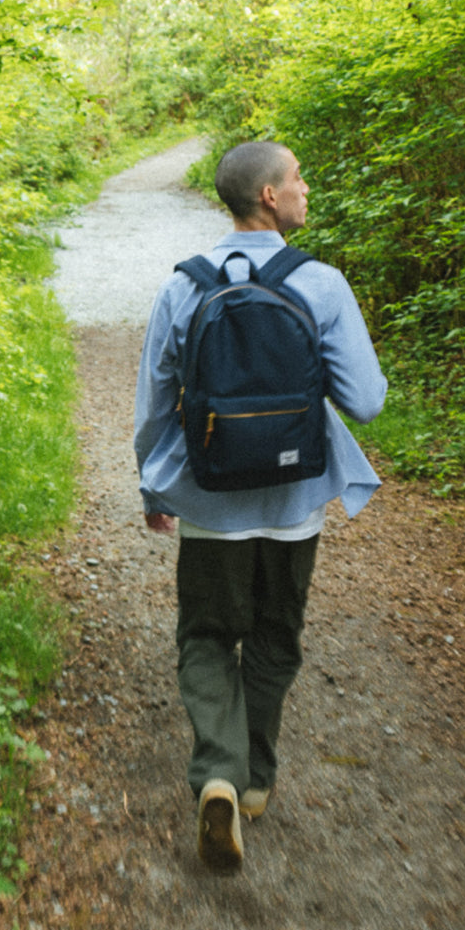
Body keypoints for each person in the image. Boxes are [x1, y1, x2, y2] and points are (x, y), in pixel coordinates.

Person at [134, 141, 387, 872]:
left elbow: (155, 409)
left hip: (211, 501)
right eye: (299, 178)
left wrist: (156, 488)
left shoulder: (182, 286)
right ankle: (254, 779)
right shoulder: (323, 283)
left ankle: (217, 770)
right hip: (295, 501)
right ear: (270, 198)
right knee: (275, 634)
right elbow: (366, 403)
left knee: (207, 635)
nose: (306, 188)